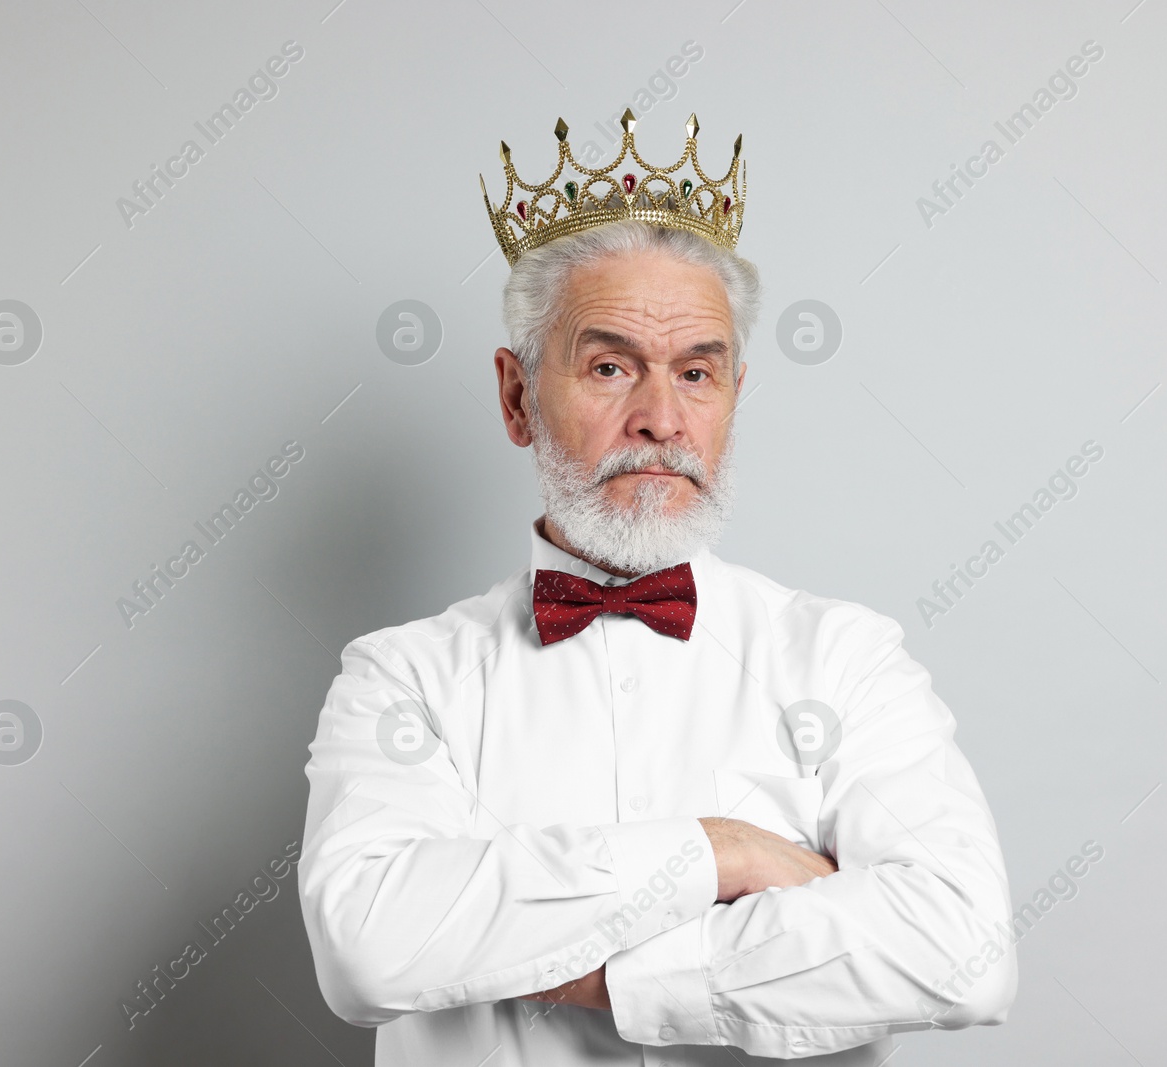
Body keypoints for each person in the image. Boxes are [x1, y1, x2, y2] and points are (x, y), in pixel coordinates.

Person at [298, 115, 1017, 1065]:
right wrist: (721, 852)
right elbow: (368, 949)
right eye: (609, 367)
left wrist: (614, 972)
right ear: (517, 398)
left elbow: (963, 950)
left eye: (696, 373)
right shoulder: (403, 679)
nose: (661, 419)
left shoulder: (846, 659)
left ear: (733, 395)